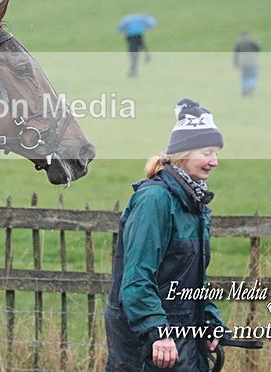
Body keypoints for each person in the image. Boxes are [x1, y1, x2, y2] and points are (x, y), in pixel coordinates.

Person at [105, 98, 227, 371]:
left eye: (216, 153)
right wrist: (157, 332)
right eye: (207, 152)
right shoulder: (155, 200)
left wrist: (209, 320)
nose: (214, 161)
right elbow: (137, 277)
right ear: (183, 153)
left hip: (182, 340)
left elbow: (191, 278)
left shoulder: (193, 203)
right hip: (152, 344)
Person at [233, 30, 261, 97]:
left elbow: (236, 53)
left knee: (244, 77)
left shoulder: (239, 42)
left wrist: (236, 63)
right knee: (253, 76)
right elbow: (259, 48)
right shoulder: (252, 40)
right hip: (252, 61)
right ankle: (251, 88)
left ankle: (244, 91)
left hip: (243, 62)